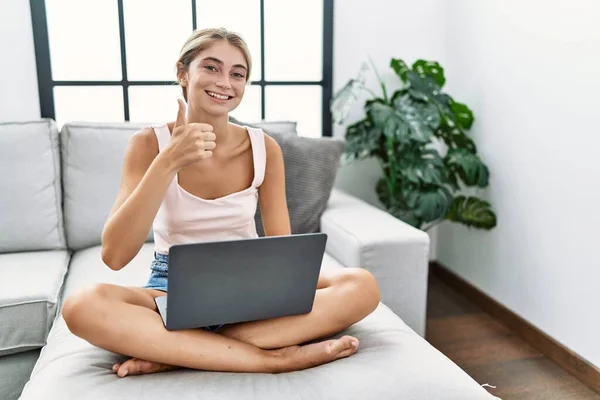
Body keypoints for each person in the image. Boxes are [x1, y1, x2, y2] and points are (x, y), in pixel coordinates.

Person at [61, 27, 380, 378]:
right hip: (171, 286)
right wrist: (168, 161)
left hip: (253, 280)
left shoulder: (264, 148)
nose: (224, 82)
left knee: (362, 285)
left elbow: (282, 251)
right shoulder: (148, 143)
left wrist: (276, 293)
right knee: (81, 305)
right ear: (183, 73)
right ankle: (273, 359)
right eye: (211, 68)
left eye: (237, 74)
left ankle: (184, 351)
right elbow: (115, 255)